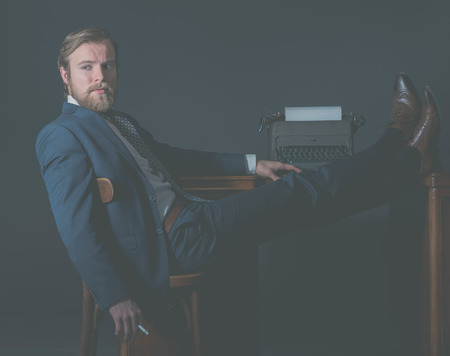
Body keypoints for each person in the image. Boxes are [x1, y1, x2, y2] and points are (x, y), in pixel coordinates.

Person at [36, 26, 440, 343]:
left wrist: (251, 164)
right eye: (87, 67)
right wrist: (115, 296)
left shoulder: (118, 121)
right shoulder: (62, 135)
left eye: (108, 65)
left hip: (192, 218)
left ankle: (403, 162)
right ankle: (396, 147)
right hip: (175, 244)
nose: (100, 76)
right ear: (65, 74)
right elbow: (76, 227)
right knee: (299, 194)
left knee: (305, 203)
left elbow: (172, 157)